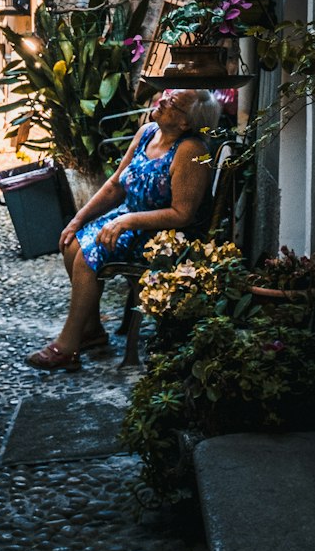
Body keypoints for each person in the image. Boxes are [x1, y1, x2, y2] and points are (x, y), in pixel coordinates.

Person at [26, 88, 221, 371]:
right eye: (167, 94)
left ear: (185, 123)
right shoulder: (147, 133)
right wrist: (78, 219)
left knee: (89, 255)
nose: (163, 99)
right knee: (71, 243)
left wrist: (128, 221)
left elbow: (182, 214)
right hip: (128, 219)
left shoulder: (191, 151)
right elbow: (116, 184)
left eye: (173, 103)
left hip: (161, 234)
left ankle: (67, 346)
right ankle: (91, 330)